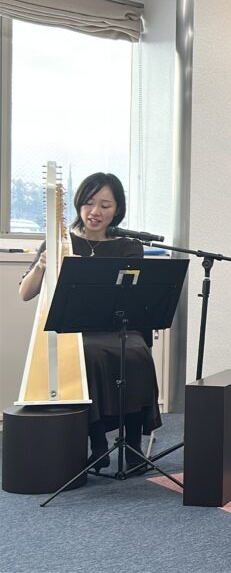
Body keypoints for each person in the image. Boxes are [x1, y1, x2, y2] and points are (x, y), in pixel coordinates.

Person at [19, 172, 162, 471]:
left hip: (119, 326)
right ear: (78, 204)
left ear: (117, 209)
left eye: (105, 205)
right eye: (88, 203)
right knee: (86, 354)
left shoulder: (129, 246)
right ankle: (98, 446)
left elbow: (134, 298)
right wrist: (42, 266)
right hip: (78, 331)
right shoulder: (60, 243)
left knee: (136, 352)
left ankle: (133, 445)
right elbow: (25, 293)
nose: (95, 212)